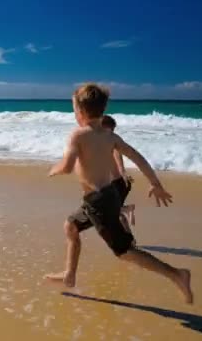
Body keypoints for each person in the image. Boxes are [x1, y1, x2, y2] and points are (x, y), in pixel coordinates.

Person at [44, 83, 193, 304]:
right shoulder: (109, 136)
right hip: (107, 195)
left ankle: (176, 274)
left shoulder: (77, 135)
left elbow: (66, 167)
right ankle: (69, 275)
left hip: (99, 201)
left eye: (74, 108)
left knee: (124, 252)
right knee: (71, 226)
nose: (74, 113)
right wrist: (155, 183)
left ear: (81, 112)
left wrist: (53, 170)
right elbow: (137, 156)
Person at [101, 115, 136, 234]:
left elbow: (118, 158)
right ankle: (128, 209)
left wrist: (123, 173)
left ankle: (130, 241)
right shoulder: (101, 143)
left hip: (119, 183)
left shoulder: (113, 142)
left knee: (115, 215)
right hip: (112, 184)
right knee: (110, 212)